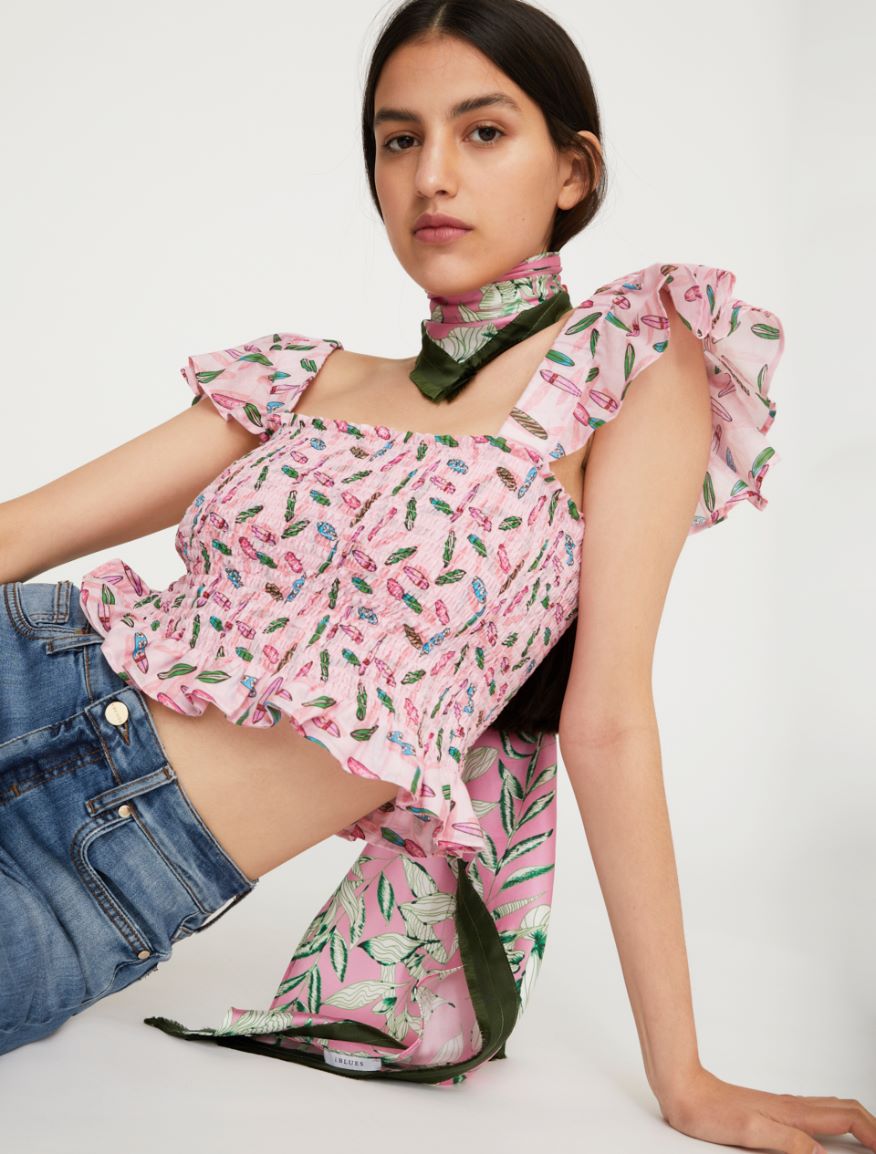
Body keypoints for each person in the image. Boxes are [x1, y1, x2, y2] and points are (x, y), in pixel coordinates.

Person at [1, 0, 873, 1149]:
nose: (432, 176)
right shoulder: (301, 378)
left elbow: (608, 720)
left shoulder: (625, 362)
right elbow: (16, 533)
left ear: (573, 169)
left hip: (98, 872)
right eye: (400, 139)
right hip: (33, 668)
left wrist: (686, 1076)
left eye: (484, 131)